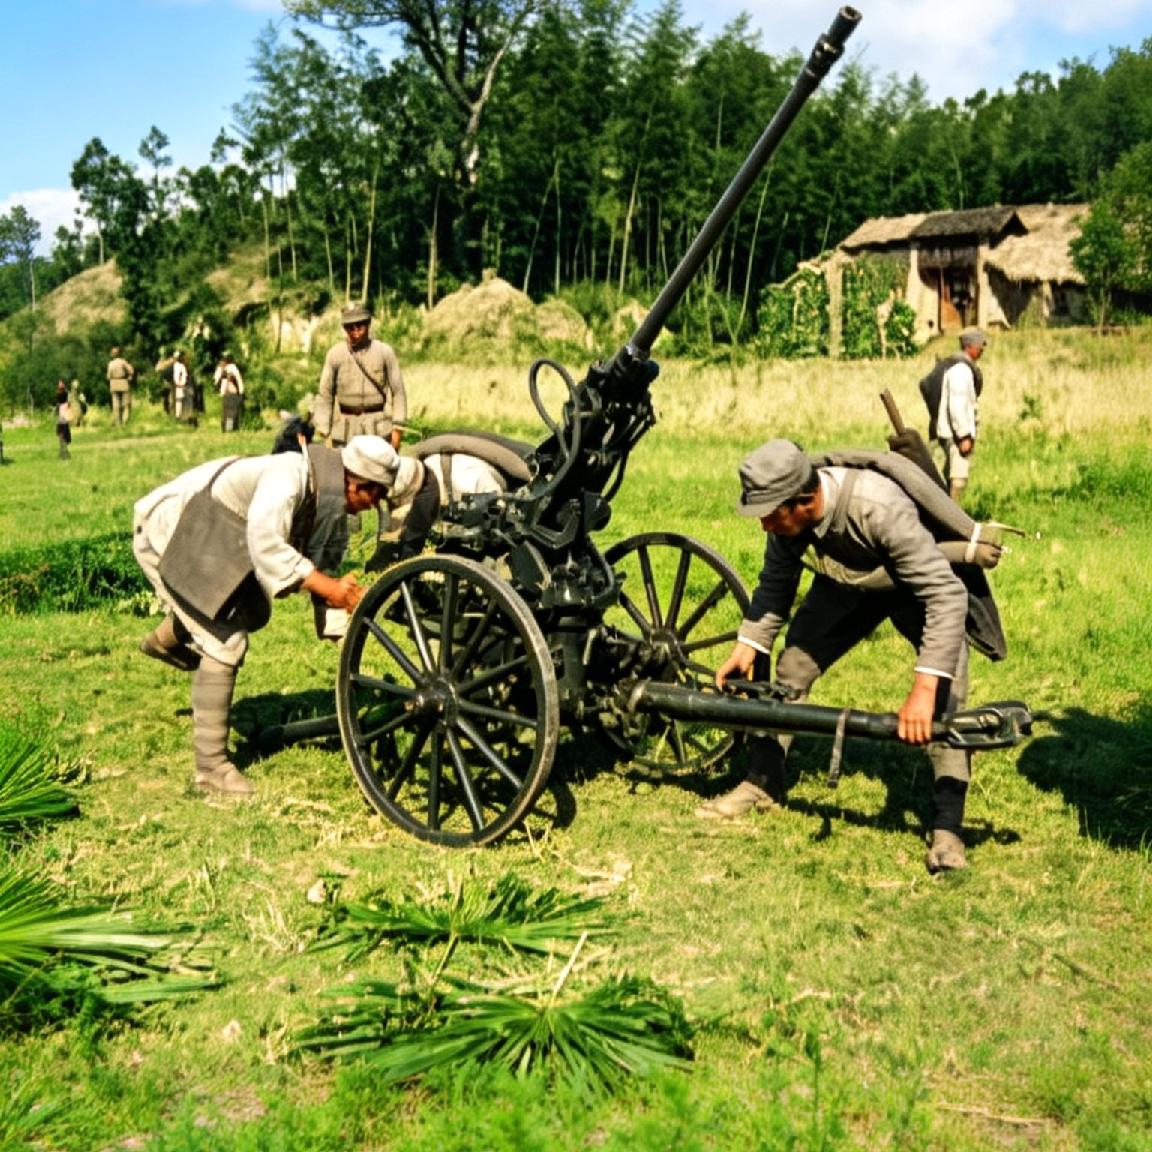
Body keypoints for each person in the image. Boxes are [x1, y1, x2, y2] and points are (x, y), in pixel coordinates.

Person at [698, 438, 984, 874]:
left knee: (946, 696)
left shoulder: (878, 507)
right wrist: (748, 643)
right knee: (792, 666)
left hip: (918, 589)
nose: (764, 526)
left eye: (770, 514)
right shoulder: (785, 521)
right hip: (849, 584)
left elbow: (945, 595)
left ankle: (947, 827)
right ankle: (762, 782)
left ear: (805, 500)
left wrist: (925, 687)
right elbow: (776, 583)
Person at [132, 435, 401, 797]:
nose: (373, 506)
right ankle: (211, 769)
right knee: (225, 640)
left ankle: (164, 641)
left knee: (253, 611)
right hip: (174, 530)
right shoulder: (288, 478)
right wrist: (330, 588)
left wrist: (342, 630)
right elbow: (267, 544)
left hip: (220, 537)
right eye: (376, 496)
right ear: (356, 484)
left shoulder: (329, 500)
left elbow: (323, 569)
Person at [313, 304, 407, 451]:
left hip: (378, 427)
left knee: (381, 465)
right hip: (345, 429)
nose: (355, 330)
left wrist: (397, 429)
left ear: (368, 324)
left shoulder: (384, 352)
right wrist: (324, 430)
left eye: (360, 325)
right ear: (344, 328)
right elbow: (325, 394)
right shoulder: (335, 354)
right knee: (340, 465)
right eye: (350, 326)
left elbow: (398, 392)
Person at [922, 327, 986, 503]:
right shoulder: (961, 371)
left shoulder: (958, 367)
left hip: (950, 432)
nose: (982, 350)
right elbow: (957, 405)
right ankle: (952, 512)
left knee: (948, 473)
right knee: (958, 476)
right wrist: (964, 435)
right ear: (970, 346)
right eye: (980, 346)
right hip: (955, 435)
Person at [107, 346, 136, 426]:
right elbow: (131, 370)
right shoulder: (123, 362)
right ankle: (125, 421)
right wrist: (130, 377)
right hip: (123, 382)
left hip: (113, 383)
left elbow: (108, 376)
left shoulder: (110, 364)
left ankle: (118, 422)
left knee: (116, 405)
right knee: (126, 404)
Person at [215, 353, 244, 432]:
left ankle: (230, 429)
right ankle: (228, 429)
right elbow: (218, 383)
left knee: (231, 413)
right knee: (228, 413)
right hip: (229, 394)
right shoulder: (222, 369)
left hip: (232, 393)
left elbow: (234, 380)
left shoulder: (231, 368)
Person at [54, 380, 72, 460]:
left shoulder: (61, 395)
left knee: (62, 437)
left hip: (62, 419)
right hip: (64, 419)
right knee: (63, 437)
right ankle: (64, 453)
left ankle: (63, 453)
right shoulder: (65, 396)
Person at [171, 350, 190, 422]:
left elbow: (183, 376)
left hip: (180, 385)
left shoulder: (180, 366)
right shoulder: (178, 366)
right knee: (178, 401)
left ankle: (180, 415)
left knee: (180, 401)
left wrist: (180, 383)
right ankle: (178, 415)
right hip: (178, 385)